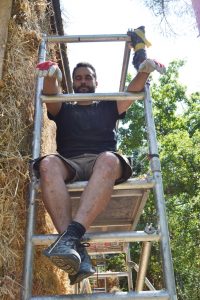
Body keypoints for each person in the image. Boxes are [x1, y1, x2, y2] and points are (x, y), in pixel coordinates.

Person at [34, 28, 165, 286]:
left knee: (108, 158)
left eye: (87, 77)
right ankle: (73, 247)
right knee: (47, 163)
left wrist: (145, 70)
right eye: (78, 78)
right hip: (69, 163)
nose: (83, 81)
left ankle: (71, 239)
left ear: (95, 81)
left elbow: (130, 92)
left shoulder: (108, 104)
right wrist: (53, 74)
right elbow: (51, 94)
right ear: (73, 83)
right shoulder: (64, 107)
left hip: (101, 164)